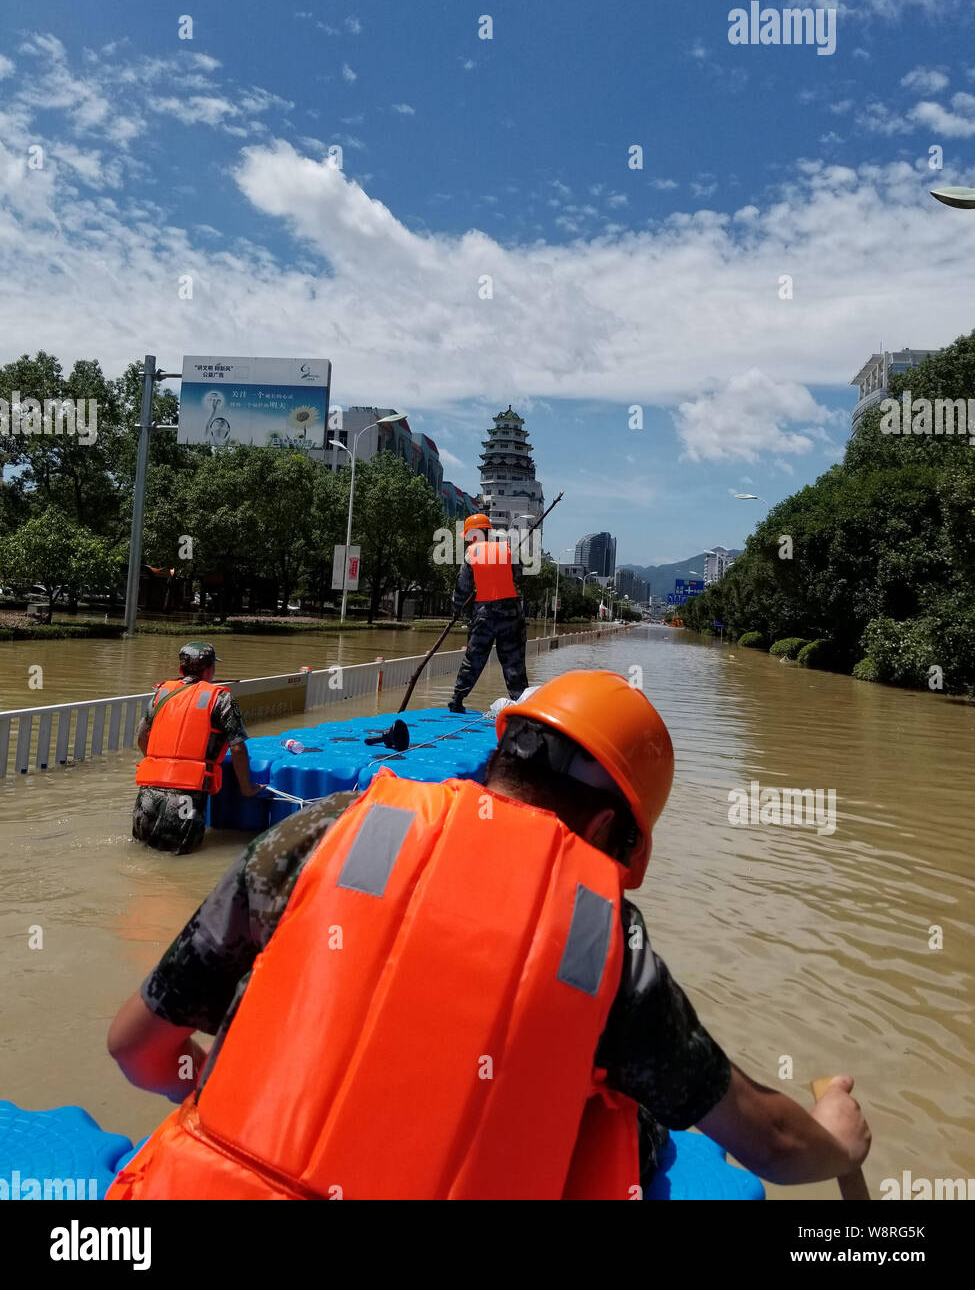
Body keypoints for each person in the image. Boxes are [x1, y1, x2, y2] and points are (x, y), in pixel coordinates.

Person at [106, 669, 870, 1200]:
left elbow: (136, 1049)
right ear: (610, 828)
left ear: (495, 759)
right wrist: (838, 1136)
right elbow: (769, 1143)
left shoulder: (324, 832)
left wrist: (232, 1100)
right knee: (619, 1115)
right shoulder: (598, 937)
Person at [131, 641, 261, 856]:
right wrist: (247, 787)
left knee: (141, 852)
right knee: (180, 858)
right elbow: (237, 748)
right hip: (186, 794)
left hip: (148, 791)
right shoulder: (220, 698)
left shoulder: (161, 694)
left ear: (181, 668)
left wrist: (160, 764)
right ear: (210, 669)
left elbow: (141, 737)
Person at [448, 513, 528, 713]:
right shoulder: (508, 549)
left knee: (474, 658)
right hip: (511, 613)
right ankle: (523, 706)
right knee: (514, 663)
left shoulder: (471, 553)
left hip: (484, 614)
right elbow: (519, 576)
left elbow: (462, 588)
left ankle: (457, 699)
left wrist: (457, 610)